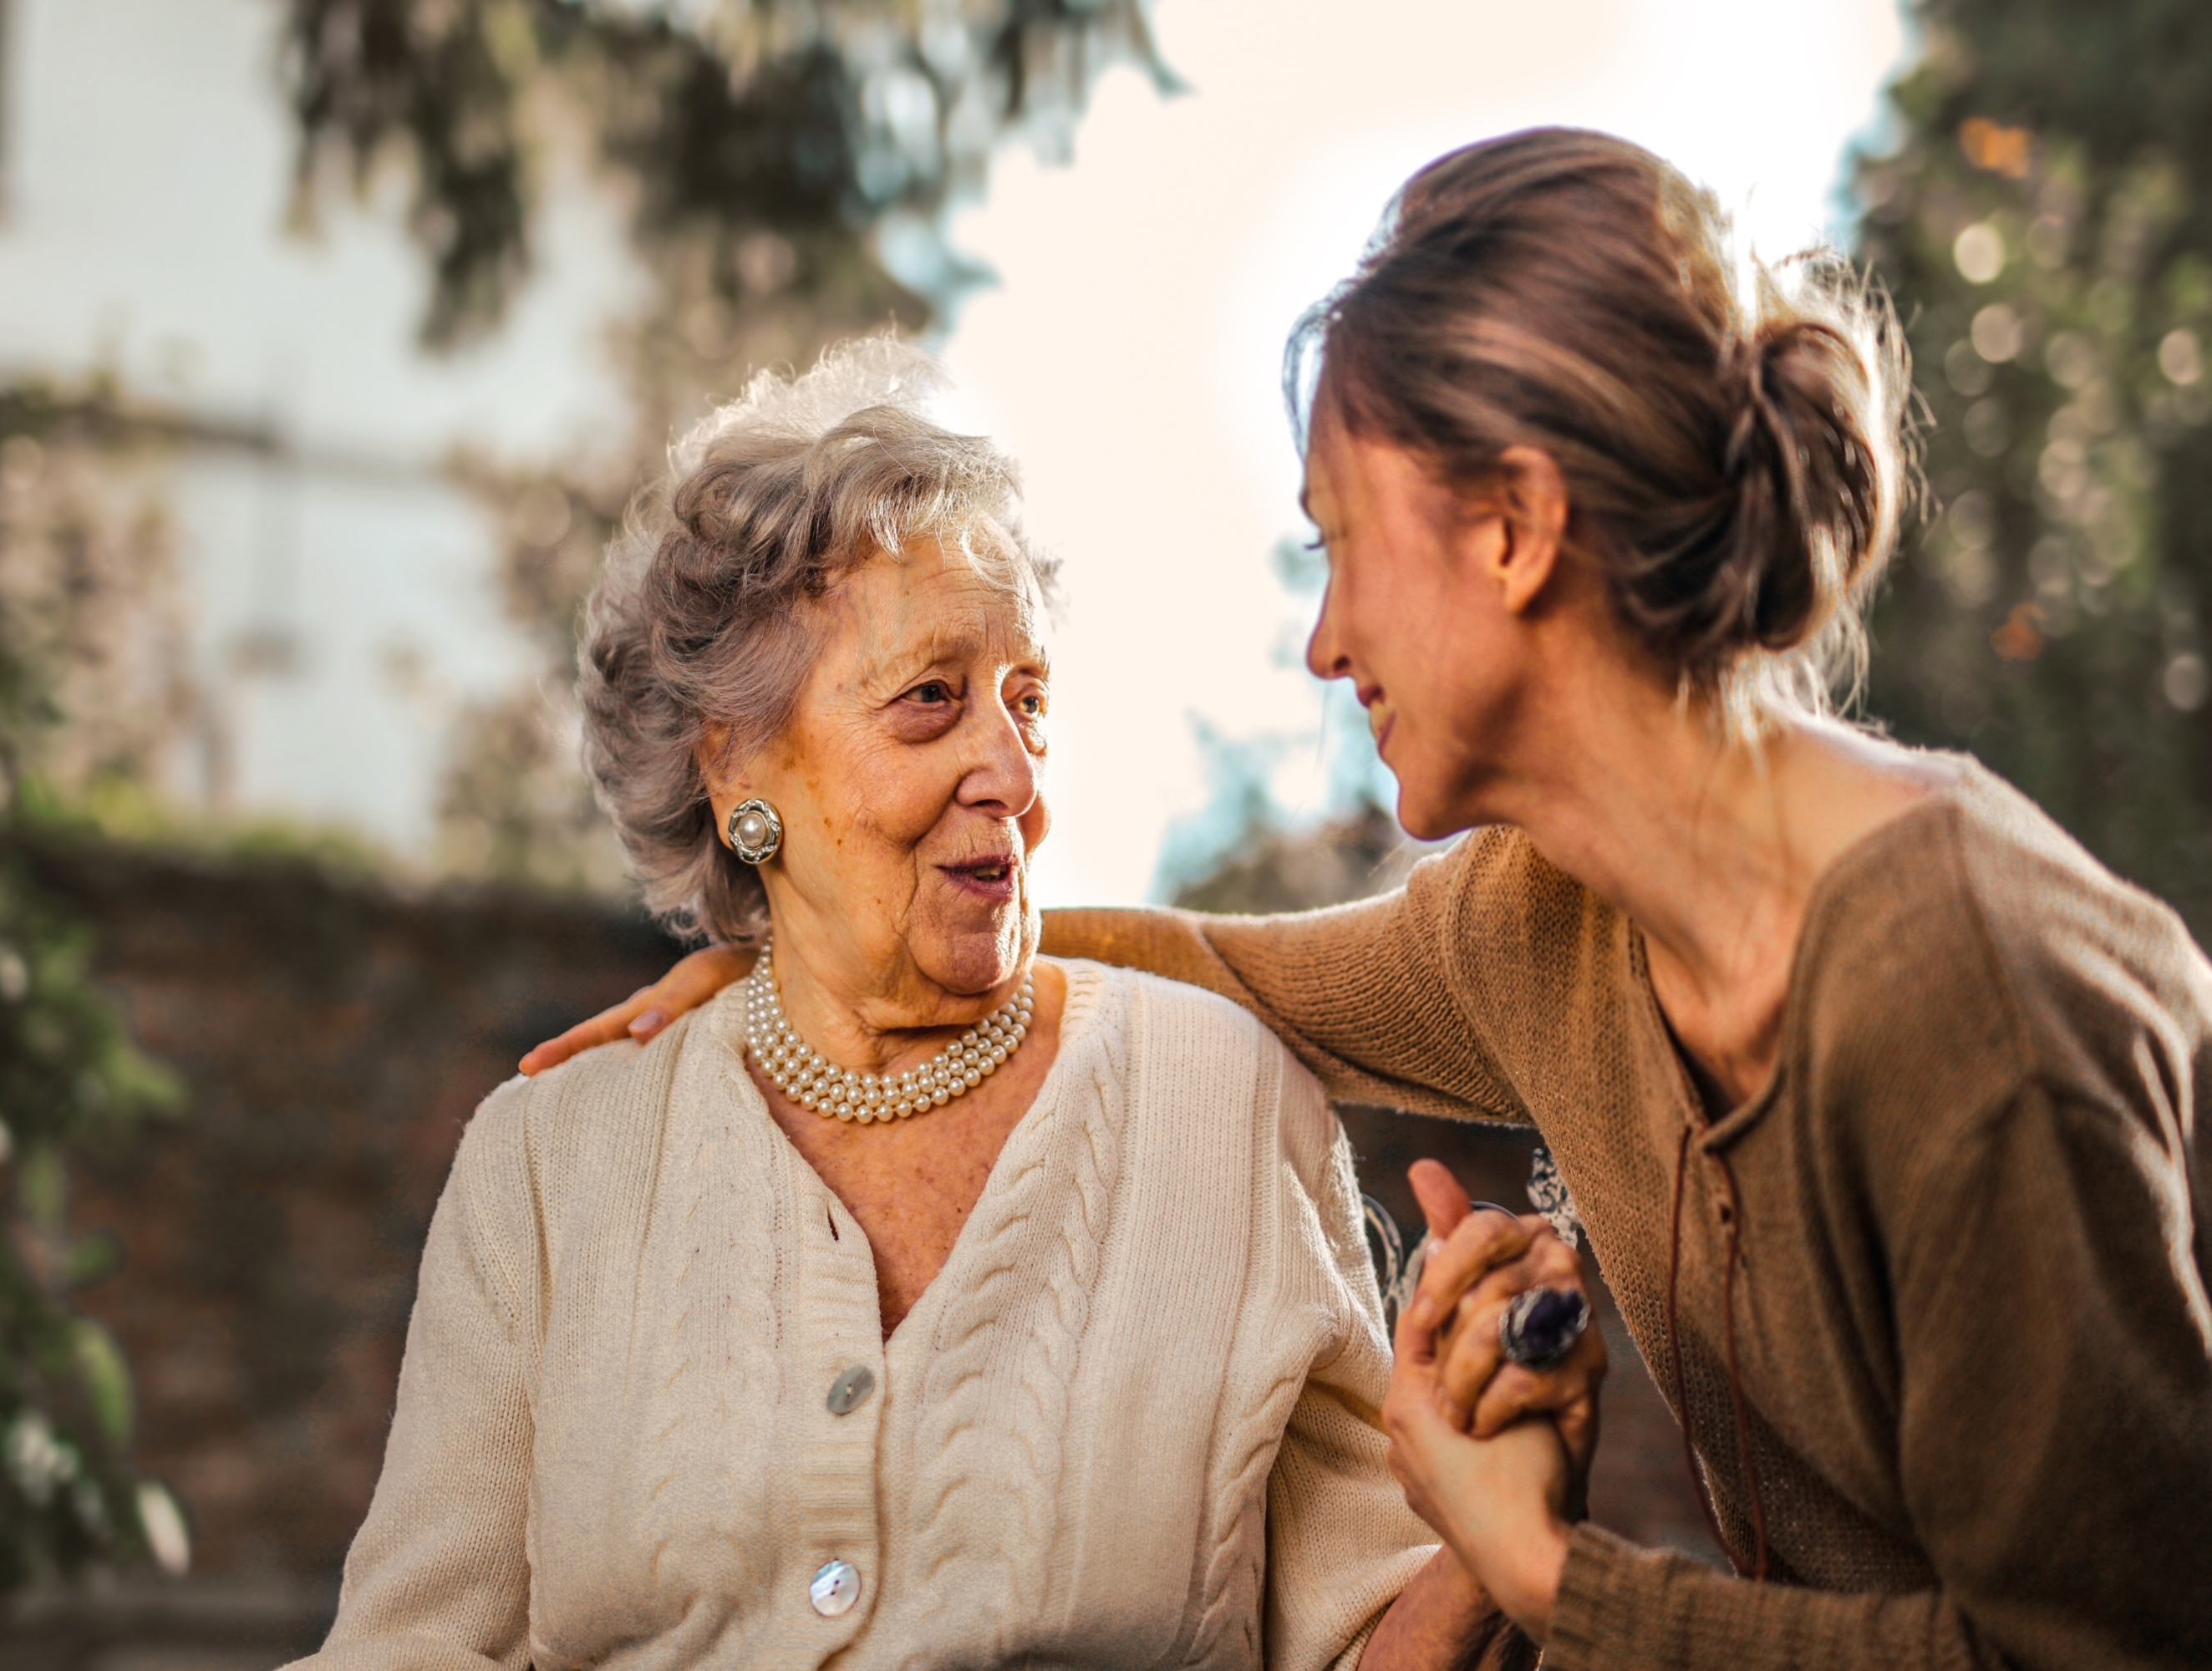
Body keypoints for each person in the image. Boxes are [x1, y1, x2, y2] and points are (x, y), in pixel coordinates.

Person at [523, 132, 2212, 1669]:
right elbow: (1212, 970)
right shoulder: (1545, 922)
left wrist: (1550, 1575)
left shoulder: (1964, 997)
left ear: (1516, 530)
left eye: (1340, 544)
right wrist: (811, 951)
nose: (1325, 642)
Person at [293, 339, 1543, 1670]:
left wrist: (1492, 1536)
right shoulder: (548, 1162)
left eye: (1030, 702)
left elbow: (1364, 1641)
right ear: (736, 767)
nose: (1010, 770)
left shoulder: (1224, 1102)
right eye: (931, 700)